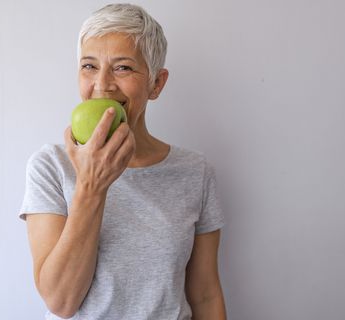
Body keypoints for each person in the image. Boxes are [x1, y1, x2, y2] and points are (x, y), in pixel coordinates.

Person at [19, 4, 226, 319]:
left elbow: (206, 296)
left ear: (156, 83)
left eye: (123, 68)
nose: (102, 84)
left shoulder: (195, 172)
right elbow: (61, 301)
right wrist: (91, 186)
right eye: (89, 65)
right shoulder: (50, 166)